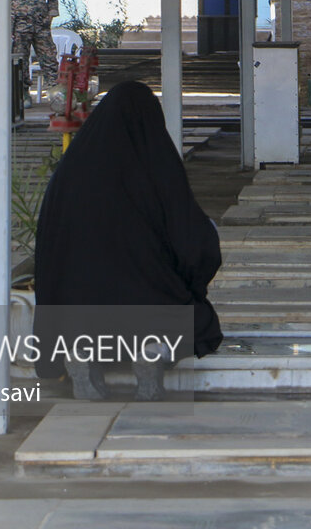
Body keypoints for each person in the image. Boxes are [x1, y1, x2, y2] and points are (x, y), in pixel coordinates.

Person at [32, 81, 223, 400]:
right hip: (148, 301)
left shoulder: (71, 170)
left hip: (75, 306)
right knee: (196, 321)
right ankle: (154, 350)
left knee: (85, 315)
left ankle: (82, 351)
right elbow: (189, 235)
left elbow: (47, 247)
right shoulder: (155, 164)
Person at [11, 0, 58, 95]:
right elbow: (6, 2)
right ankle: (23, 93)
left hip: (41, 26)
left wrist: (49, 17)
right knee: (21, 61)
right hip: (20, 27)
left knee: (49, 58)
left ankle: (54, 91)